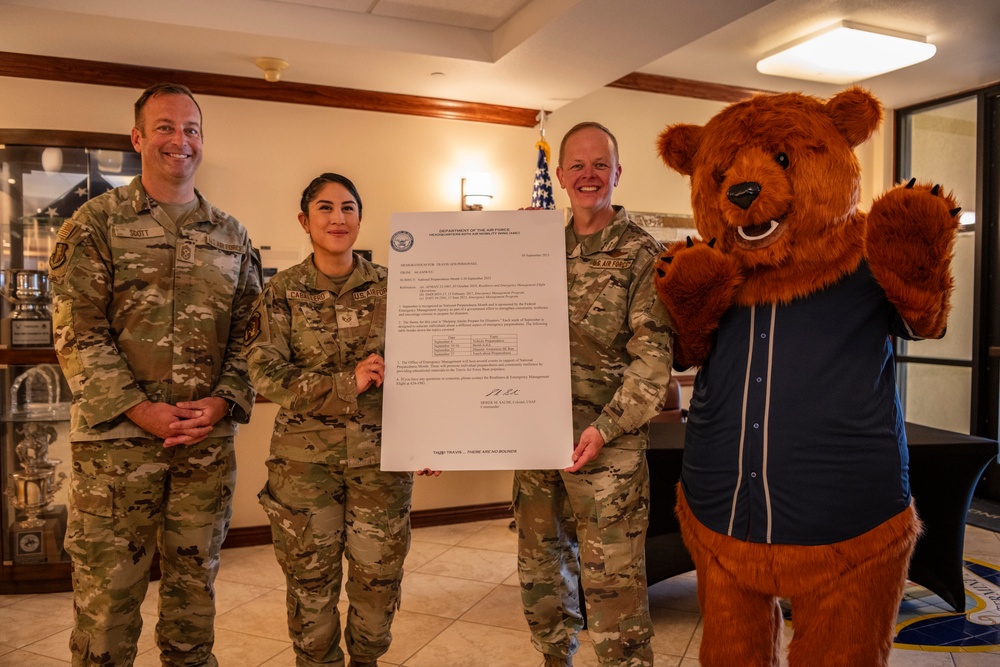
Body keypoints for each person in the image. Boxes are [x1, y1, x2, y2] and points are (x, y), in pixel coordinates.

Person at [48, 82, 262, 666]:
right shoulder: (93, 226)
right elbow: (77, 331)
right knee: (107, 610)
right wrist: (140, 409)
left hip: (203, 450)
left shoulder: (231, 236)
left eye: (191, 129)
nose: (180, 140)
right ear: (138, 137)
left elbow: (254, 337)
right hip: (117, 452)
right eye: (165, 127)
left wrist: (221, 403)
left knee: (194, 608)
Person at [245, 173, 429, 667]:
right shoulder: (281, 291)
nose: (338, 218)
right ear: (305, 221)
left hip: (382, 465)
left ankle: (366, 661)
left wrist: (433, 438)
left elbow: (430, 366)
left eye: (348, 207)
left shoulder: (397, 286)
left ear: (360, 218)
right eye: (325, 208)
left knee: (378, 583)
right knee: (311, 586)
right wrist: (346, 382)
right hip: (304, 470)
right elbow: (265, 372)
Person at [513, 122, 674, 667]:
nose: (588, 175)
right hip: (536, 441)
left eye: (599, 164)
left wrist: (604, 428)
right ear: (558, 176)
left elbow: (652, 363)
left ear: (617, 173)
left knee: (614, 594)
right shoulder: (534, 248)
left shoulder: (640, 252)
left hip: (608, 448)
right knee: (540, 575)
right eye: (576, 166)